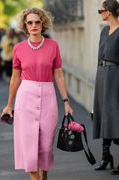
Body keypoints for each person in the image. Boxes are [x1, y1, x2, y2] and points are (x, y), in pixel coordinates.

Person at [1, 8, 73, 180]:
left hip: (48, 96)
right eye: (29, 22)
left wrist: (66, 101)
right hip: (25, 98)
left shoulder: (53, 46)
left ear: (43, 24)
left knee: (46, 147)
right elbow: (15, 78)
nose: (33, 25)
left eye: (37, 22)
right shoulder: (18, 48)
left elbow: (58, 74)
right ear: (25, 26)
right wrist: (9, 104)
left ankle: (44, 175)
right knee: (28, 146)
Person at [93, 0, 119, 175]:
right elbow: (99, 57)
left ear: (108, 12)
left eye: (100, 10)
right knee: (103, 115)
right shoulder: (104, 32)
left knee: (115, 116)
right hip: (102, 76)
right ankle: (105, 156)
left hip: (116, 77)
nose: (100, 13)